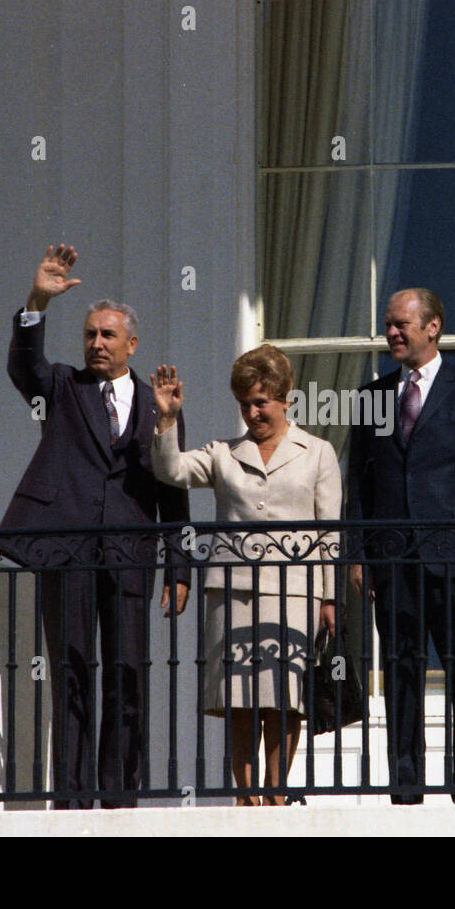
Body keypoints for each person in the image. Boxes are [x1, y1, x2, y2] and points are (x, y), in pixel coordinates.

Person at [0, 244, 191, 809]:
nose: (97, 344)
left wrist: (178, 568)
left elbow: (172, 489)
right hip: (69, 551)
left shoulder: (161, 406)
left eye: (108, 336)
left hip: (131, 554)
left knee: (128, 673)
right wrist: (37, 302)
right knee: (72, 671)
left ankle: (119, 798)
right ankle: (74, 798)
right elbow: (23, 367)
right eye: (90, 335)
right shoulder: (62, 388)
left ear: (132, 344)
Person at [150, 345, 341, 806]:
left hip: (295, 590)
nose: (253, 412)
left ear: (285, 398)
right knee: (238, 699)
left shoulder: (317, 452)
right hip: (231, 590)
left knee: (283, 698)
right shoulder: (223, 453)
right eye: (245, 403)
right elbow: (170, 469)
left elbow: (330, 531)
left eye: (262, 401)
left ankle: (276, 792)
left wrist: (330, 598)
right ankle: (247, 795)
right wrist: (168, 420)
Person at [346, 287, 455, 804]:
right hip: (395, 560)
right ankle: (406, 784)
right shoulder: (372, 397)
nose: (392, 333)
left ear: (433, 326)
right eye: (388, 325)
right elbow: (360, 485)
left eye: (401, 324)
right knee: (399, 666)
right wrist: (360, 555)